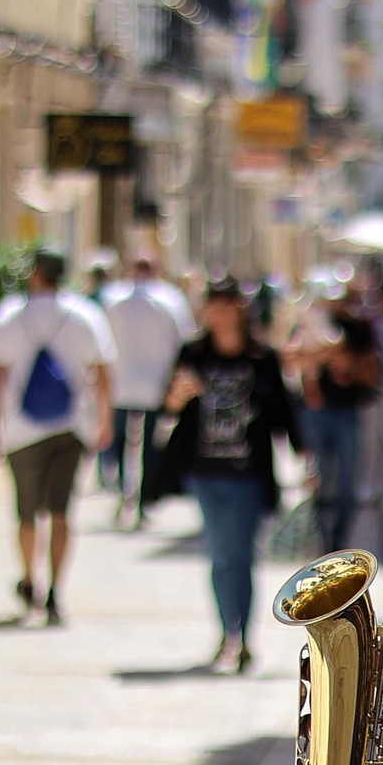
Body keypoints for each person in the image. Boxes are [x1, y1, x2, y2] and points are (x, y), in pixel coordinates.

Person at [161, 279, 306, 674]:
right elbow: (168, 406)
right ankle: (229, 633)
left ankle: (240, 635)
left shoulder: (262, 357)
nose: (219, 313)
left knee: (240, 555)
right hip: (205, 470)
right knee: (220, 554)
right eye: (213, 305)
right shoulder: (193, 353)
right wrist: (179, 396)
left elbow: (283, 411)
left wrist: (305, 454)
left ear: (239, 310)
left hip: (249, 472)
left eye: (226, 305)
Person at [0, 249, 116, 624]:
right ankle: (57, 590)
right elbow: (103, 373)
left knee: (26, 512)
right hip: (72, 427)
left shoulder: (10, 314)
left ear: (36, 273)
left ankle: (30, 580)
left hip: (20, 430)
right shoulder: (85, 314)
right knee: (62, 511)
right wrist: (104, 421)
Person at [100, 254, 197, 528]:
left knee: (119, 443)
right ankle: (143, 499)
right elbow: (185, 340)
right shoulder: (170, 299)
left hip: (121, 383)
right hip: (155, 384)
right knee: (149, 447)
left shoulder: (113, 300)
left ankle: (123, 491)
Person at [285, 285, 379, 551]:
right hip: (315, 412)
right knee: (319, 481)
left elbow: (369, 370)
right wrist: (328, 355)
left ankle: (338, 542)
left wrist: (344, 363)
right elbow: (292, 359)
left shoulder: (358, 327)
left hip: (347, 412)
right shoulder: (308, 322)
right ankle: (319, 539)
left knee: (347, 484)